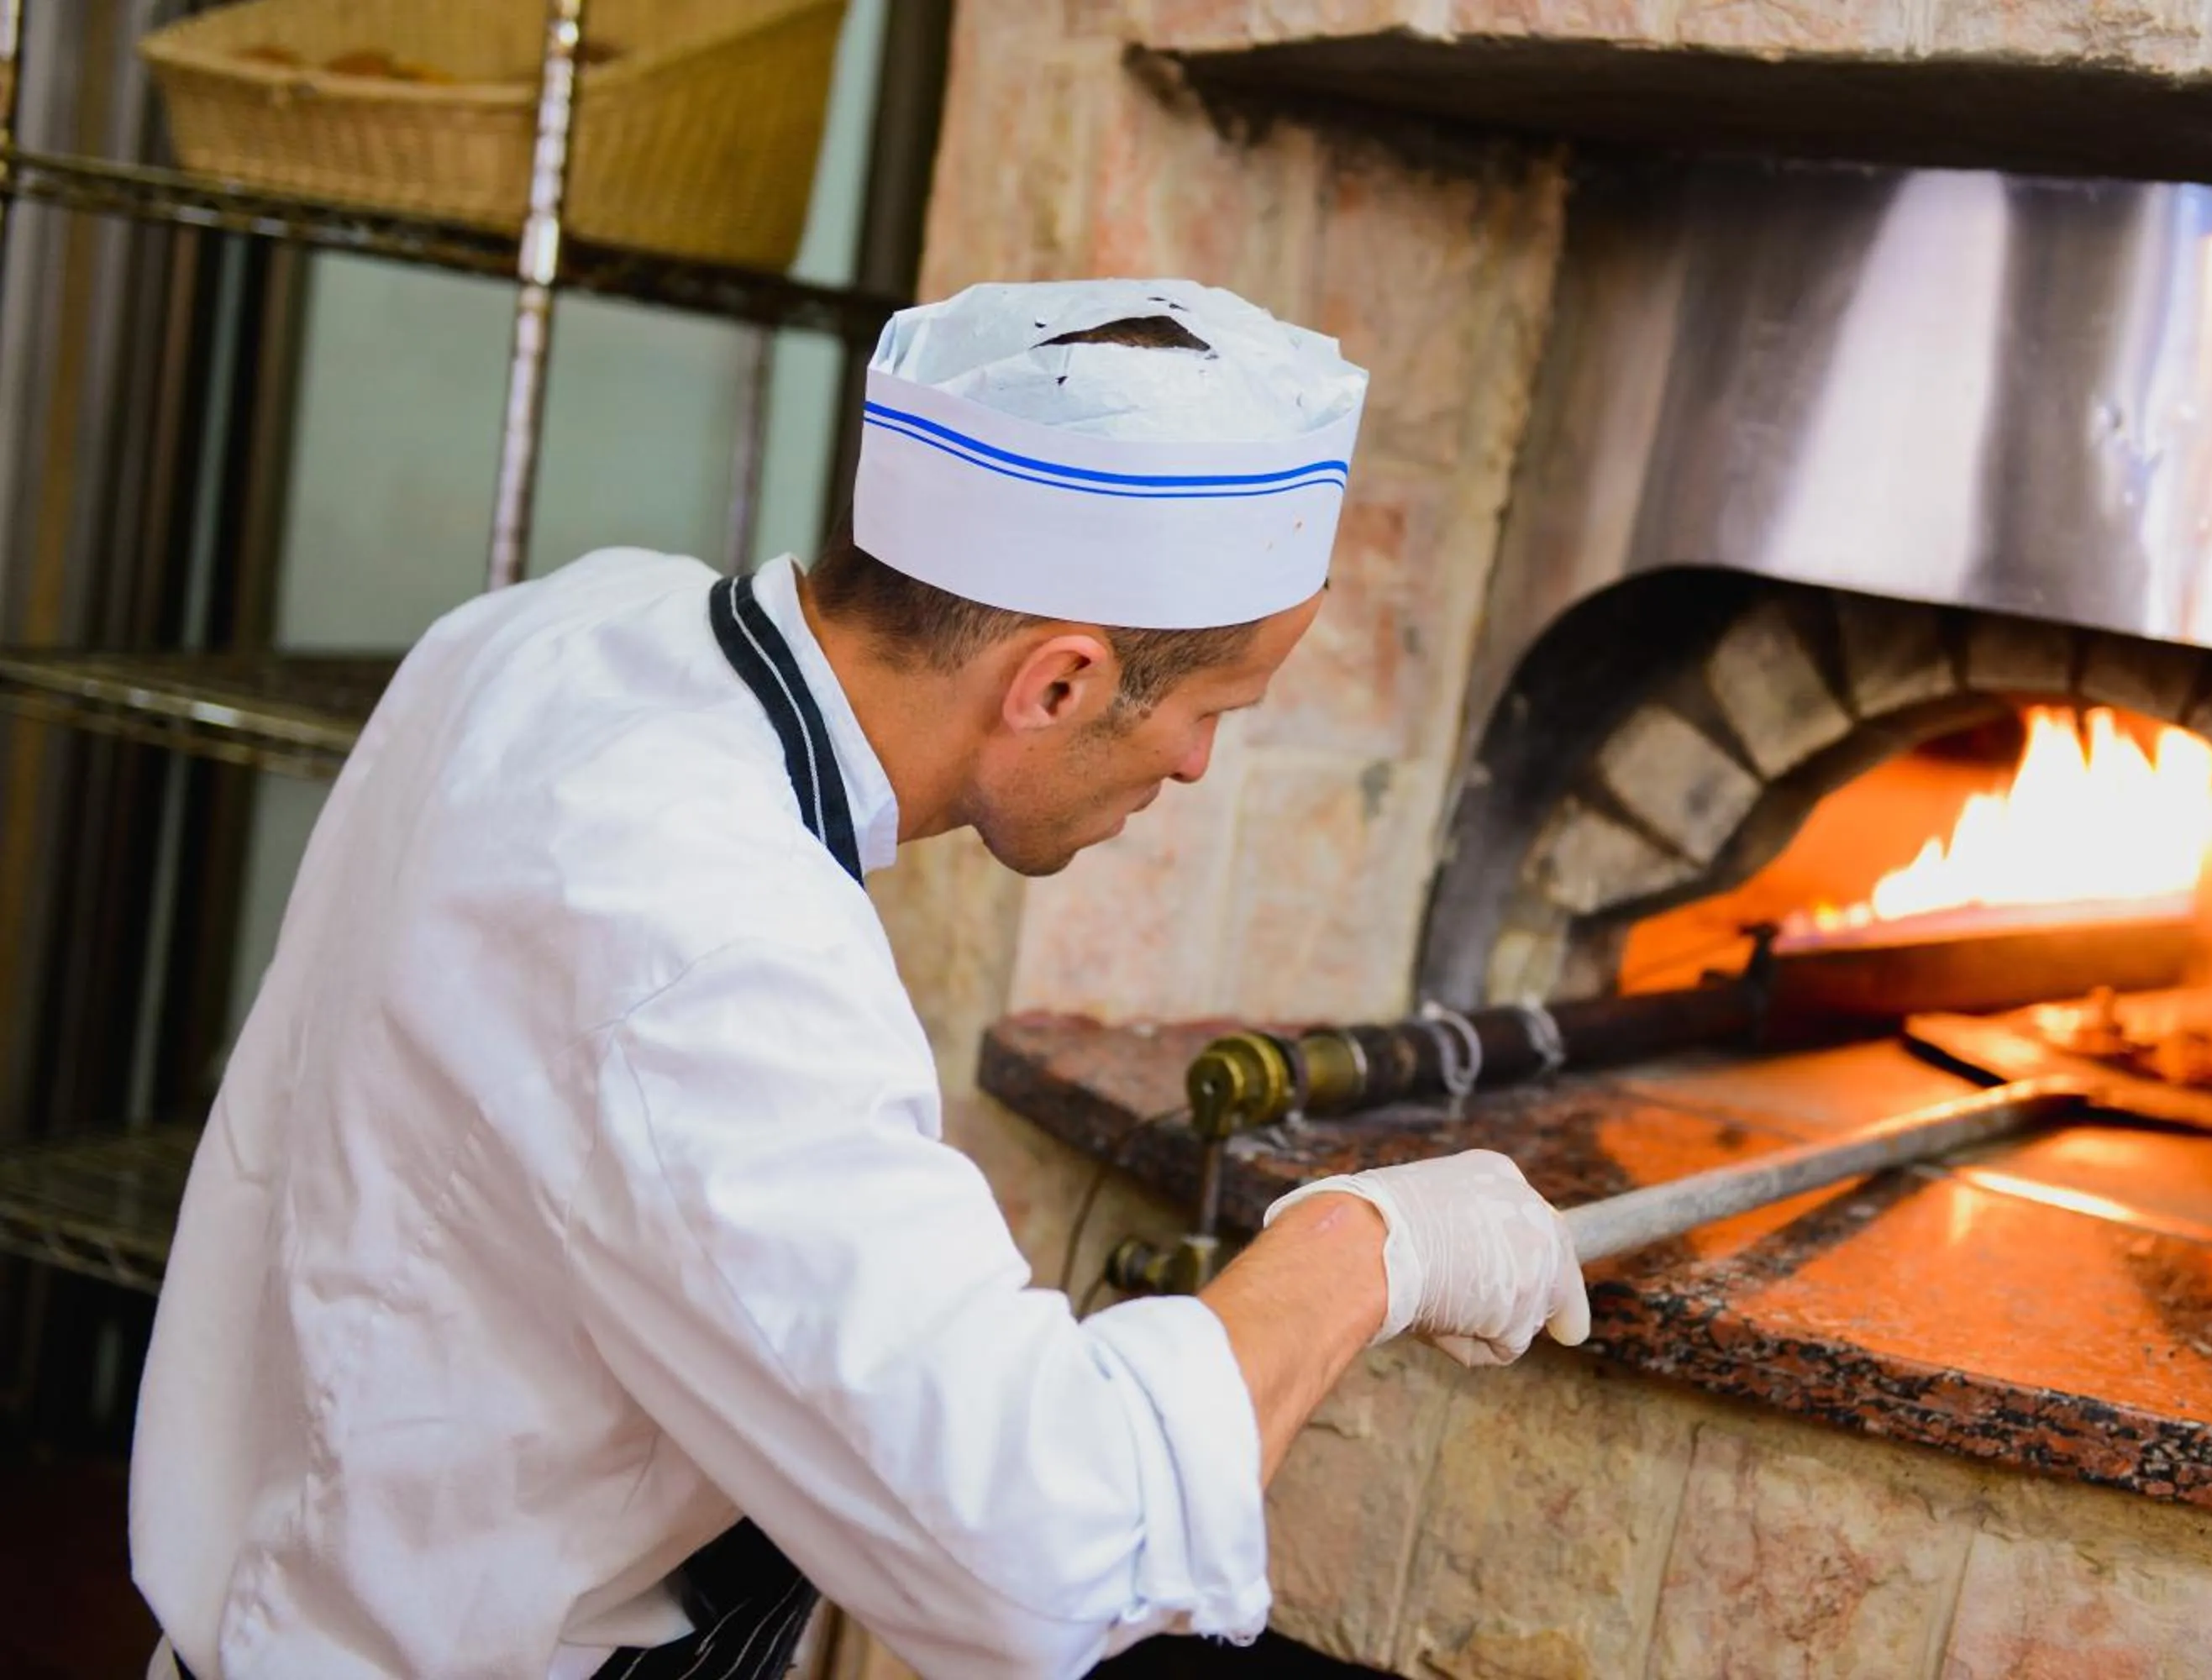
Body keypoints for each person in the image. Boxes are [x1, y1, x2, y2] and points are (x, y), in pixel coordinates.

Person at [129, 279, 1589, 1680]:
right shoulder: (722, 954)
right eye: (1212, 708)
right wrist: (1368, 1246)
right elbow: (1036, 1557)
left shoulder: (578, 624)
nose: (1199, 764)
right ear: (1059, 683)